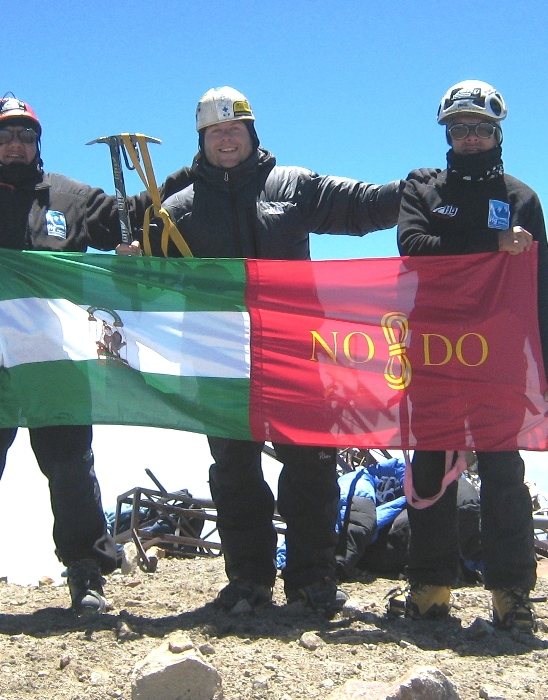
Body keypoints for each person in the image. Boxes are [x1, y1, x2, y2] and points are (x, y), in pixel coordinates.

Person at [0, 95, 189, 621]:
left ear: (38, 142)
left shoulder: (69, 197)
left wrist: (162, 205)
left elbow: (133, 219)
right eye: (4, 136)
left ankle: (86, 572)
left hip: (59, 355)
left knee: (70, 465)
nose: (15, 145)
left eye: (25, 136)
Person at [128, 86, 404, 614]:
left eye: (235, 129)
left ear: (253, 134)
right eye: (215, 132)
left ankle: (311, 580)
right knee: (234, 469)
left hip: (297, 349)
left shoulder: (293, 186)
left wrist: (417, 188)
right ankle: (248, 581)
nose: (226, 139)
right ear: (201, 140)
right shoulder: (177, 210)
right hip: (217, 354)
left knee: (312, 464)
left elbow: (363, 207)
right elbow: (149, 287)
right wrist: (132, 259)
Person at [391, 80, 548, 631]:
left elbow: (541, 288)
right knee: (430, 468)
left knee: (503, 472)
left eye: (480, 128)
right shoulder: (422, 190)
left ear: (497, 133)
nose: (470, 138)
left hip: (500, 360)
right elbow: (413, 249)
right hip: (436, 351)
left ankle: (511, 593)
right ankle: (430, 588)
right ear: (448, 133)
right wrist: (489, 245)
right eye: (459, 128)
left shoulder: (522, 200)